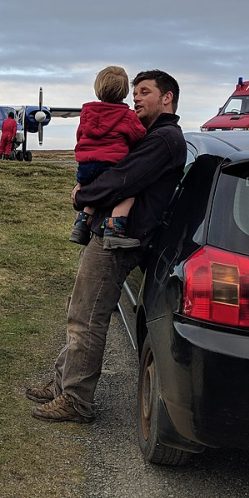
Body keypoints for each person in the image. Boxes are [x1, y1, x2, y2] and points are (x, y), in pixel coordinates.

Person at [26, 70, 187, 423]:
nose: (136, 98)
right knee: (78, 308)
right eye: (134, 92)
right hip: (109, 233)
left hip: (118, 242)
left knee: (87, 316)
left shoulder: (164, 139)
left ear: (167, 98)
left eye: (145, 92)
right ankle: (61, 384)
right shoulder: (152, 135)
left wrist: (83, 195)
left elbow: (122, 178)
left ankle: (76, 400)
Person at [69, 65, 147, 248]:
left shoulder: (86, 114)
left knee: (95, 189)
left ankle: (81, 224)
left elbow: (80, 136)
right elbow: (139, 137)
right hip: (111, 165)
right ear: (125, 91)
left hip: (86, 166)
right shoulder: (127, 116)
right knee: (127, 194)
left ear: (98, 89)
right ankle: (115, 228)